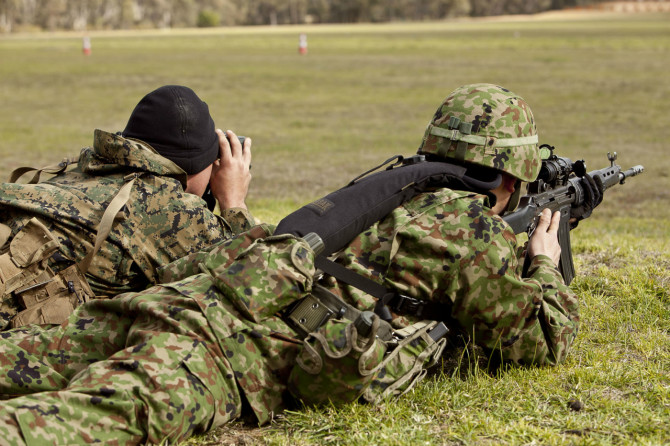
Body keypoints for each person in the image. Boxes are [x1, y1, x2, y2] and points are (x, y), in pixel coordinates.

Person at [0, 84, 601, 445]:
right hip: (224, 357)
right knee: (79, 421)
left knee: (24, 362)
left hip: (181, 301)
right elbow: (538, 340)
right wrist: (544, 262)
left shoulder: (380, 188)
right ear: (508, 174)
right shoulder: (470, 225)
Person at [0, 85, 254, 329]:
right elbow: (250, 282)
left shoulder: (87, 168)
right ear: (196, 166)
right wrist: (234, 202)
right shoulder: (171, 210)